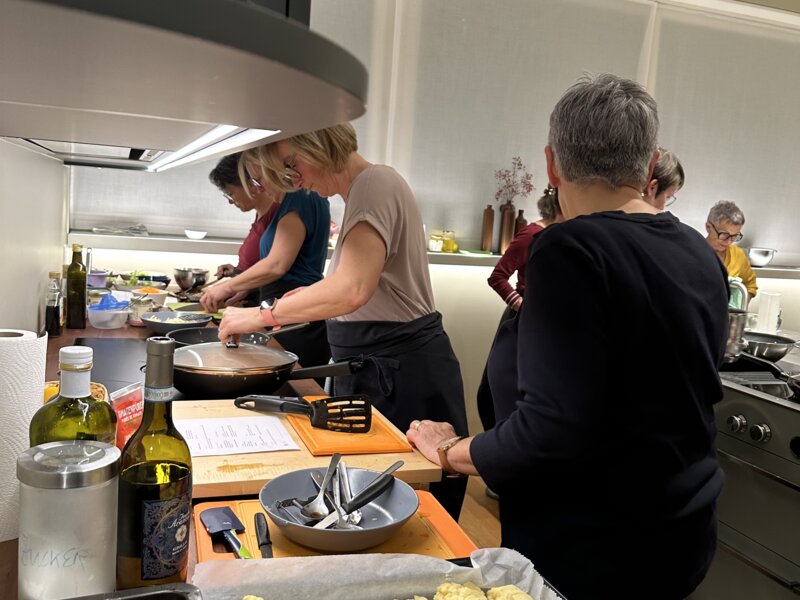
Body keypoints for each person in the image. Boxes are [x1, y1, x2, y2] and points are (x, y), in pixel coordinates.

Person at [406, 73, 729, 600]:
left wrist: (447, 450)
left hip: (595, 546)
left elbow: (548, 431)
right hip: (686, 529)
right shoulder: (699, 249)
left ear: (552, 164)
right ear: (650, 165)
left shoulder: (569, 249)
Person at [217, 123, 469, 519]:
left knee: (409, 512)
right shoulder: (363, 191)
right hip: (384, 368)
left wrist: (260, 316)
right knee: (372, 506)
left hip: (403, 376)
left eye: (291, 164)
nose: (293, 180)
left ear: (317, 141)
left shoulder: (374, 184)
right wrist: (299, 300)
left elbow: (352, 289)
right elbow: (359, 285)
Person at [201, 153, 332, 370]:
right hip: (281, 308)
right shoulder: (290, 201)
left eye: (257, 180)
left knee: (296, 383)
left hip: (296, 314)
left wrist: (227, 286)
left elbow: (276, 265)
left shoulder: (302, 195)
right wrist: (245, 286)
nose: (258, 188)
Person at [477, 185, 563, 434]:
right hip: (521, 318)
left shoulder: (562, 235)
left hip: (540, 320)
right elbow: (497, 276)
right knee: (502, 387)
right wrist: (520, 305)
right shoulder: (532, 234)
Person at [208, 152, 280, 307]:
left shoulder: (278, 214)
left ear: (249, 184)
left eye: (231, 194)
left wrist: (231, 286)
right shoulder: (260, 215)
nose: (231, 201)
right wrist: (236, 272)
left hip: (264, 305)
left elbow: (276, 268)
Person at [705, 200, 757, 300]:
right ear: (708, 227)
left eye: (734, 236)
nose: (729, 242)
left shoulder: (738, 255)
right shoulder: (694, 252)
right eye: (724, 235)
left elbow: (751, 285)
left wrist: (740, 305)